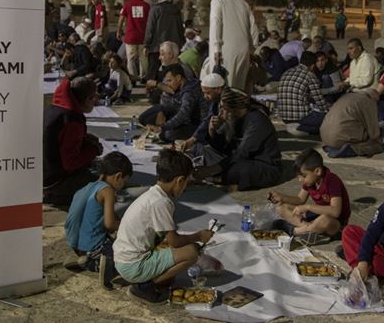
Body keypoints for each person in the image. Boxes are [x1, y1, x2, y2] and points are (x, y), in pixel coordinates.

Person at [113, 150, 213, 303]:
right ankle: (144, 287)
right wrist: (199, 236)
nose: (185, 187)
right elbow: (175, 242)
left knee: (172, 256)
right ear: (179, 180)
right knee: (192, 252)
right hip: (132, 265)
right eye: (186, 182)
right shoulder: (162, 202)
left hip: (122, 259)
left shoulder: (153, 194)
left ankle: (149, 279)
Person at [64, 152, 133, 288]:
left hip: (74, 244)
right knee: (130, 255)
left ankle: (84, 259)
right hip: (95, 247)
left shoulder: (88, 186)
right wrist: (127, 225)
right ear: (118, 176)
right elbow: (109, 224)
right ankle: (99, 264)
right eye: (124, 182)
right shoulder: (108, 191)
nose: (123, 186)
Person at [197, 88, 283, 191]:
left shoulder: (256, 120)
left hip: (263, 166)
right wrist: (212, 130)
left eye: (223, 109)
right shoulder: (233, 118)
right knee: (204, 151)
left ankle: (219, 179)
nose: (220, 113)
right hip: (240, 159)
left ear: (233, 109)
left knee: (239, 169)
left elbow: (242, 153)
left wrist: (211, 170)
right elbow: (221, 147)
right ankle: (217, 177)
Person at [43, 77, 104, 206]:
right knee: (107, 186)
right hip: (54, 182)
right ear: (87, 99)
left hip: (42, 173)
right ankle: (56, 196)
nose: (95, 101)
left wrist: (83, 138)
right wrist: (94, 150)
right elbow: (70, 163)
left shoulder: (56, 108)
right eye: (93, 98)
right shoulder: (72, 120)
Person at [268, 149, 350, 237]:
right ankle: (313, 230)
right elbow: (300, 199)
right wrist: (282, 197)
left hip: (336, 223)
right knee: (282, 208)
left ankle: (296, 231)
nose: (300, 180)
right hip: (319, 215)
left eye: (303, 176)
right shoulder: (311, 181)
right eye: (299, 176)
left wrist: (308, 207)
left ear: (318, 171)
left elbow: (335, 211)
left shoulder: (332, 181)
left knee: (324, 220)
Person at [201, 0, 259, 91]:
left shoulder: (217, 1)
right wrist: (253, 49)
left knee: (223, 87)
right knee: (239, 87)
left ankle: (226, 108)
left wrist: (216, 49)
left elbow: (216, 24)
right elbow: (253, 28)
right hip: (243, 50)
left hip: (225, 50)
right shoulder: (243, 3)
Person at [144, 65, 208, 143]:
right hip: (190, 121)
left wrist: (162, 128)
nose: (167, 84)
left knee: (167, 134)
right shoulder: (185, 85)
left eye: (170, 80)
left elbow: (183, 114)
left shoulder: (189, 91)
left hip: (200, 125)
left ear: (178, 78)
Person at [278, 51, 330, 135]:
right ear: (313, 65)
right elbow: (319, 101)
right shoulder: (310, 75)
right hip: (301, 117)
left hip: (284, 117)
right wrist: (328, 111)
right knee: (329, 120)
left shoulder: (286, 72)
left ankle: (295, 126)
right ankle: (300, 128)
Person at [320, 91, 384, 158]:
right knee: (376, 146)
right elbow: (374, 131)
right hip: (341, 137)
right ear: (375, 99)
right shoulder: (369, 101)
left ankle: (334, 147)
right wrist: (379, 140)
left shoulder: (347, 96)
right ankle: (350, 150)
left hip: (325, 137)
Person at [143, 0, 185, 83]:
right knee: (173, 71)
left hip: (157, 46)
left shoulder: (155, 9)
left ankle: (152, 91)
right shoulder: (175, 9)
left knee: (153, 71)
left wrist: (146, 44)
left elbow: (150, 28)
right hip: (174, 46)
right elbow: (180, 27)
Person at [179, 73, 225, 152]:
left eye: (208, 93)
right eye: (204, 93)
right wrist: (193, 138)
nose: (205, 97)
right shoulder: (215, 101)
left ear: (218, 89)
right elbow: (207, 120)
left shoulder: (228, 102)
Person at [117, 0, 151, 84]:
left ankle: (133, 78)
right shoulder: (146, 6)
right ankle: (143, 77)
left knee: (131, 59)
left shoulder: (127, 5)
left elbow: (121, 19)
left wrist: (118, 31)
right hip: (143, 36)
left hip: (131, 36)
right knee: (143, 58)